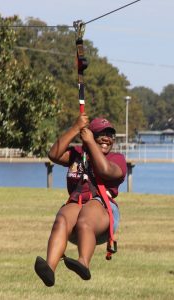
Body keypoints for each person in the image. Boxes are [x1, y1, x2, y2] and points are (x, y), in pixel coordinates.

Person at [34, 113, 127, 286]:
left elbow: (105, 170)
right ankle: (49, 268)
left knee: (86, 217)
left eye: (110, 134)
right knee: (62, 218)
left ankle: (83, 262)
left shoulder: (117, 159)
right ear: (89, 134)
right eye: (101, 134)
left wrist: (91, 142)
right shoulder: (77, 155)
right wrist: (75, 128)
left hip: (103, 211)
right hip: (77, 204)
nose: (107, 138)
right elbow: (53, 154)